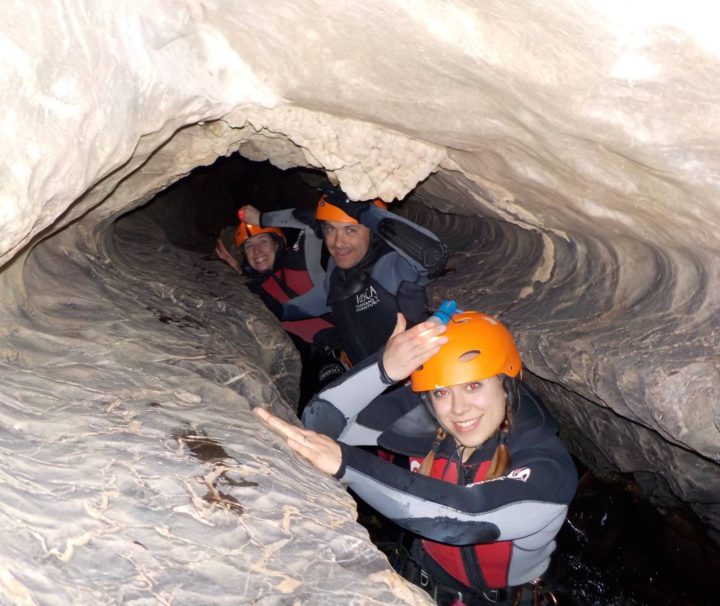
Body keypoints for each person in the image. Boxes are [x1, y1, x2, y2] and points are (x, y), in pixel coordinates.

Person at [255, 308, 577, 605]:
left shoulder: (548, 467)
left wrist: (347, 464)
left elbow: (461, 519)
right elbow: (320, 421)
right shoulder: (433, 426)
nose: (458, 409)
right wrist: (384, 368)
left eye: (473, 385)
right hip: (415, 578)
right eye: (441, 391)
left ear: (505, 385)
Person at [241, 187, 448, 366]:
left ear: (372, 231)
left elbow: (433, 256)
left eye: (350, 230)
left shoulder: (389, 265)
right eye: (331, 229)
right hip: (371, 386)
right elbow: (318, 300)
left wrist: (367, 213)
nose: (338, 243)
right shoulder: (336, 272)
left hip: (415, 385)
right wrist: (279, 310)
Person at [215, 212, 345, 409]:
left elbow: (312, 224)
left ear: (277, 243)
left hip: (338, 351)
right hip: (301, 368)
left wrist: (263, 219)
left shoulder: (300, 263)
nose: (257, 251)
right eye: (249, 246)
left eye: (263, 241)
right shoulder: (253, 289)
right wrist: (238, 272)